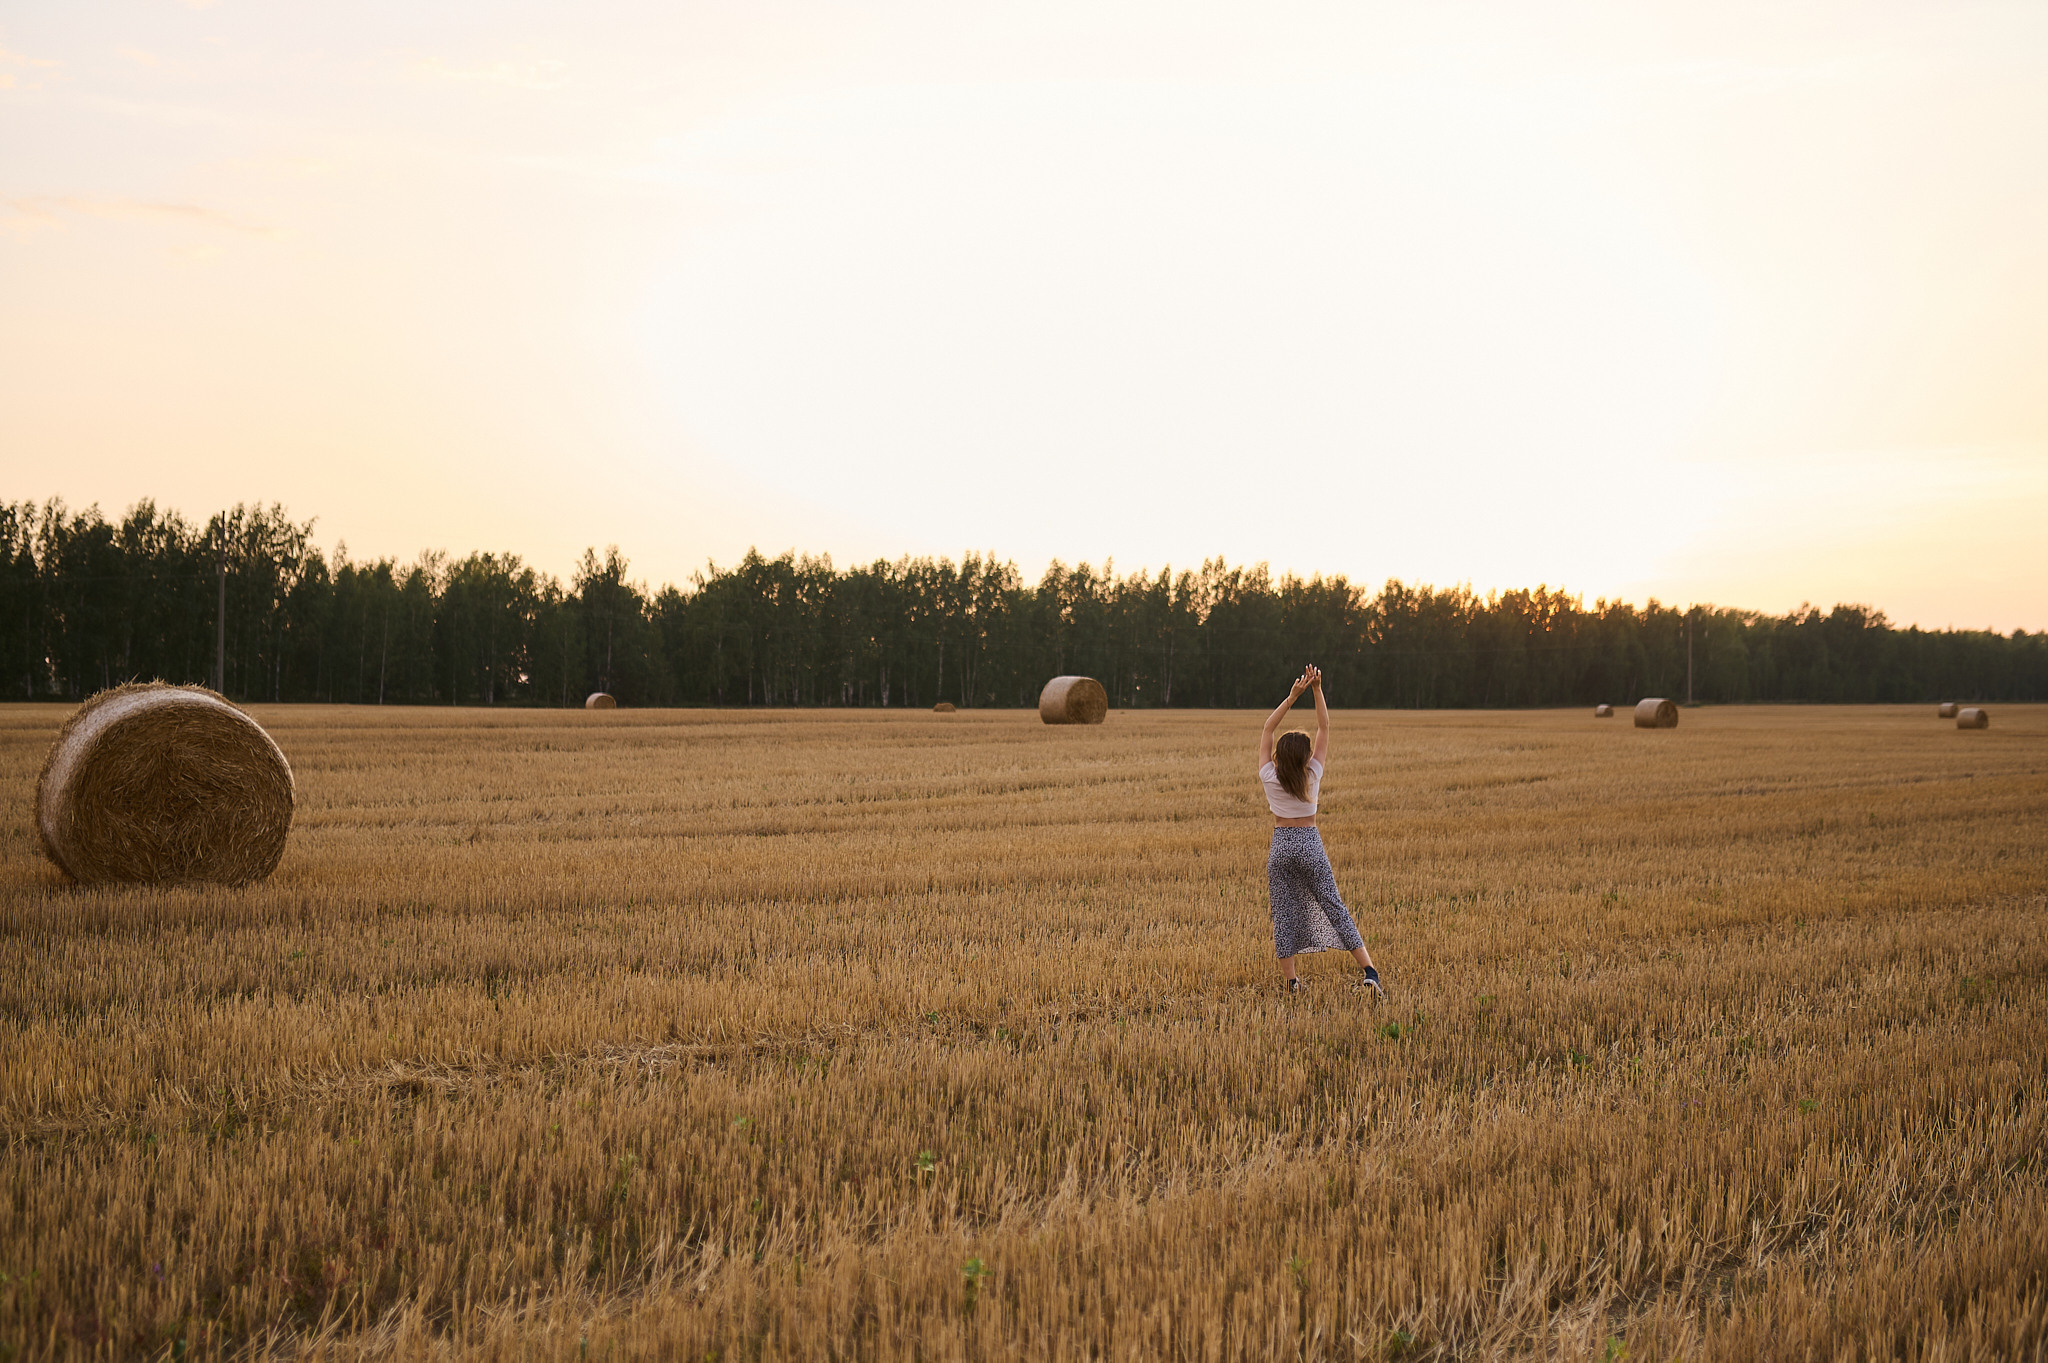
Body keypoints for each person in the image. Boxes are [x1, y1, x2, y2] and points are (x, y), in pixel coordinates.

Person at [1258, 664, 1382, 997]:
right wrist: (1315, 690)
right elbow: (1325, 726)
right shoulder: (1312, 773)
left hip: (1281, 846)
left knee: (1283, 913)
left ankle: (1291, 983)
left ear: (1279, 756)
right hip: (1309, 844)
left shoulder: (1269, 775)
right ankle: (1370, 972)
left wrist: (1291, 697)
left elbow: (1268, 728)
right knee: (1334, 906)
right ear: (1305, 757)